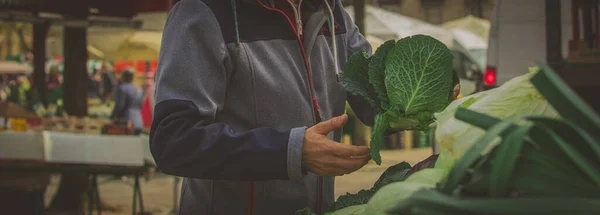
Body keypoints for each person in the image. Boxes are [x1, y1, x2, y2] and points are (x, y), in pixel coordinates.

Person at [150, 0, 459, 214]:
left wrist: (413, 103)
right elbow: (173, 140)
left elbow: (372, 94)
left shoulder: (331, 11)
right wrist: (292, 151)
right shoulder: (202, 12)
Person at [111, 69, 143, 134]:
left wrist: (113, 116)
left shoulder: (122, 88)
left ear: (123, 77)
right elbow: (140, 105)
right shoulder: (139, 90)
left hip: (125, 123)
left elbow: (120, 105)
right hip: (138, 122)